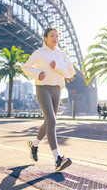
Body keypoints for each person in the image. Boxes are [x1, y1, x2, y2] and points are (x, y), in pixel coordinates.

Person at [22, 27, 76, 172]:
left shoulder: (62, 55)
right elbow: (25, 67)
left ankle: (34, 145)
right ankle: (58, 159)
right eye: (52, 36)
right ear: (44, 38)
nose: (55, 38)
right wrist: (37, 73)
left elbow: (71, 72)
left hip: (57, 89)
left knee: (48, 122)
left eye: (57, 36)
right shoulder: (39, 53)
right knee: (52, 121)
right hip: (43, 88)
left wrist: (57, 66)